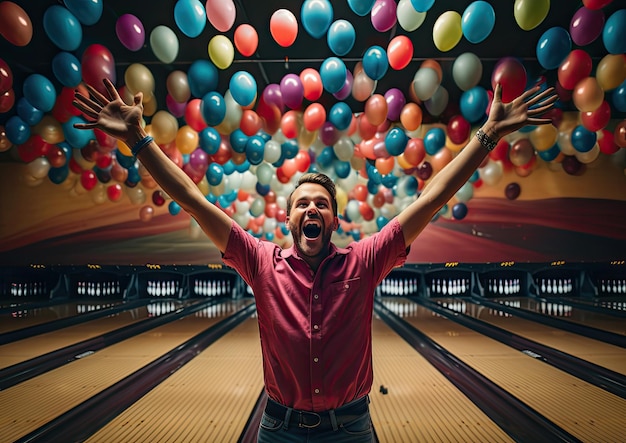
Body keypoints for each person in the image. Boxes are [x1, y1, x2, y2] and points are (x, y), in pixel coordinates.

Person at [74, 79, 556, 442]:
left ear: (334, 219)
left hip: (352, 428)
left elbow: (432, 198)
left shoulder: (365, 261)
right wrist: (138, 139)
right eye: (302, 203)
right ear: (288, 219)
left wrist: (489, 133)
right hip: (278, 429)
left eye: (321, 204)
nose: (311, 209)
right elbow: (193, 197)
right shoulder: (260, 262)